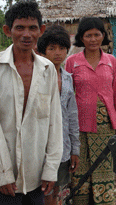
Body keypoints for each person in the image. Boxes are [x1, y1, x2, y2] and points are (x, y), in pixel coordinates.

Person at [0, 0, 63, 204]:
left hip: (36, 173)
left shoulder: (48, 69)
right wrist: (3, 173)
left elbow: (54, 122)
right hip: (2, 176)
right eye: (19, 28)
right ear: (8, 30)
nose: (26, 34)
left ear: (41, 30)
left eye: (32, 28)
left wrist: (51, 169)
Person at [65, 17, 116, 205]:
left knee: (103, 168)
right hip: (79, 126)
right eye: (88, 35)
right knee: (79, 168)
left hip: (105, 125)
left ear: (103, 36)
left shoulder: (111, 61)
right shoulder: (72, 62)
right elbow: (66, 97)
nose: (93, 39)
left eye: (96, 34)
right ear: (81, 38)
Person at [37, 25, 80, 205]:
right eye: (52, 48)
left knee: (55, 190)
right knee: (40, 190)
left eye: (62, 48)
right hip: (40, 147)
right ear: (43, 51)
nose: (57, 53)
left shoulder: (68, 78)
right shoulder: (36, 77)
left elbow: (72, 116)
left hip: (63, 146)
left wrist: (75, 149)